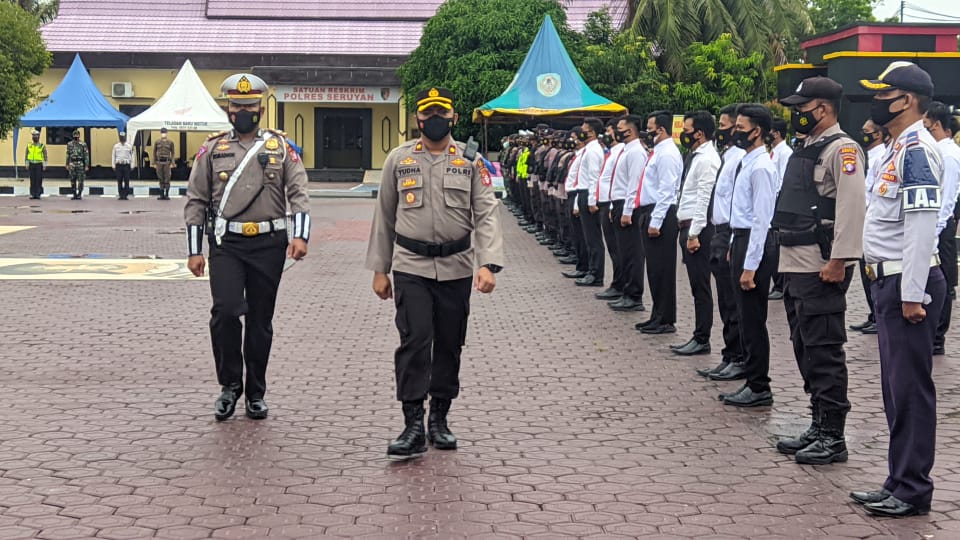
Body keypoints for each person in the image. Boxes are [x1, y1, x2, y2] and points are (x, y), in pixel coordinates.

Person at [365, 87, 504, 461]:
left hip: (457, 267)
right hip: (411, 265)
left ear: (453, 118)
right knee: (415, 340)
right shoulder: (399, 160)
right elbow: (385, 217)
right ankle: (412, 423)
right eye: (427, 115)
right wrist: (380, 270)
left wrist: (487, 264)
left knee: (449, 343)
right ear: (418, 120)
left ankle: (439, 418)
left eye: (441, 113)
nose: (434, 120)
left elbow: (486, 213)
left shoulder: (471, 162)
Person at [183, 73, 310, 422]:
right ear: (228, 108)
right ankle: (229, 386)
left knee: (259, 320)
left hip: (269, 244)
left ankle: (255, 391)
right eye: (236, 105)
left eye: (249, 106)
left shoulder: (281, 148)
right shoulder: (212, 149)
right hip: (227, 243)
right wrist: (195, 250)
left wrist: (301, 236)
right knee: (224, 312)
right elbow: (196, 199)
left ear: (261, 108)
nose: (243, 111)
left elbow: (299, 194)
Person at [850, 61, 945, 518]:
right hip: (887, 279)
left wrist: (912, 293)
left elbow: (922, 225)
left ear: (906, 100)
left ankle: (911, 489)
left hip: (909, 282)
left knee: (909, 391)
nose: (877, 100)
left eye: (884, 93)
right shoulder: (894, 148)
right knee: (896, 390)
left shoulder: (917, 150)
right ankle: (898, 479)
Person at [774, 76, 866, 464]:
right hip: (795, 261)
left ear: (823, 108)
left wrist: (839, 260)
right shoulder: (807, 146)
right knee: (804, 346)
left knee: (824, 349)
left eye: (802, 108)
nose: (797, 115)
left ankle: (833, 434)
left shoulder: (843, 150)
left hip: (820, 264)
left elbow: (851, 207)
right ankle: (817, 422)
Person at [720, 104, 778, 407]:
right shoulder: (747, 161)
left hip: (755, 243)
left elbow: (761, 219)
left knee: (753, 318)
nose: (734, 132)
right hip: (741, 239)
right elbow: (739, 213)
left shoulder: (762, 167)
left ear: (757, 131)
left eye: (741, 128)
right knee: (743, 316)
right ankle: (752, 379)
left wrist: (750, 266)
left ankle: (759, 385)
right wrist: (733, 243)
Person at [698, 104, 747, 379]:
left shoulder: (742, 157)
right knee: (725, 302)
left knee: (733, 301)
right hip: (719, 230)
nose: (723, 130)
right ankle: (730, 354)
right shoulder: (728, 156)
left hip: (730, 231)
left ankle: (739, 357)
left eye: (729, 125)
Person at [629, 111, 683, 334]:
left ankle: (665, 319)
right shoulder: (657, 151)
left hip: (660, 213)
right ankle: (657, 314)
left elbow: (667, 190)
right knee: (654, 269)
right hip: (650, 211)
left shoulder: (668, 153)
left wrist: (656, 221)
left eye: (650, 128)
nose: (647, 132)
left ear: (661, 129)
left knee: (662, 269)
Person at [673, 111, 721, 355]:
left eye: (687, 130)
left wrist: (694, 234)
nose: (684, 134)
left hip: (698, 229)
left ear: (699, 133)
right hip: (688, 226)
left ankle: (702, 337)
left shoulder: (707, 159)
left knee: (701, 287)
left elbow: (704, 198)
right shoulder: (695, 155)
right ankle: (699, 335)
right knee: (696, 286)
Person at [924, 102, 960, 355]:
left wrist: (934, 230)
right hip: (936, 224)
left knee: (943, 282)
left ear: (936, 124)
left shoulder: (947, 154)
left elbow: (946, 198)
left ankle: (937, 337)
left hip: (940, 226)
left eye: (926, 125)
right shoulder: (939, 150)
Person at [850, 119, 889, 335]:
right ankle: (873, 314)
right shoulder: (868, 157)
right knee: (865, 271)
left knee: (871, 271)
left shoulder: (880, 158)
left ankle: (878, 315)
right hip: (864, 220)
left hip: (872, 220)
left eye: (867, 132)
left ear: (879, 134)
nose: (862, 135)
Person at [609, 115, 650, 312]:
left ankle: (634, 295)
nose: (616, 131)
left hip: (629, 206)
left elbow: (634, 184)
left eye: (620, 128)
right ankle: (626, 291)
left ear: (630, 130)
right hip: (619, 204)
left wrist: (627, 211)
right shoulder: (626, 151)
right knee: (624, 252)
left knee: (632, 253)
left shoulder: (636, 152)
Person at [595, 118, 627, 301]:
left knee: (618, 249)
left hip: (613, 203)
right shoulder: (612, 153)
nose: (606, 136)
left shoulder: (620, 152)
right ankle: (617, 283)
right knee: (614, 249)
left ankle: (620, 285)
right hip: (608, 203)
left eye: (609, 132)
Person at [574, 118, 607, 287]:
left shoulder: (594, 150)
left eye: (584, 128)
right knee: (588, 237)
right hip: (583, 192)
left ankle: (596, 274)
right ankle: (591, 271)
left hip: (589, 193)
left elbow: (595, 177)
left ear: (592, 132)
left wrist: (592, 200)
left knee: (593, 238)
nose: (581, 131)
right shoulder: (588, 149)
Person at [767, 117, 793, 300]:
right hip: (770, 201)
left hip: (777, 202)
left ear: (775, 133)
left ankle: (780, 284)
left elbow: (783, 180)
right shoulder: (773, 152)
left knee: (776, 245)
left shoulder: (785, 152)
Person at [66, 129, 89, 200]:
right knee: (72, 180)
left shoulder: (83, 144)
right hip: (72, 163)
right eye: (75, 136)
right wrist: (67, 164)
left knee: (80, 180)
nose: (76, 137)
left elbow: (86, 155)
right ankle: (74, 194)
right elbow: (68, 154)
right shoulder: (69, 144)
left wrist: (86, 165)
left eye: (77, 136)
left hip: (80, 163)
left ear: (79, 136)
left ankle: (79, 194)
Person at [25, 129, 47, 200]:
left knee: (38, 179)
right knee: (32, 179)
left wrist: (44, 165)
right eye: (34, 136)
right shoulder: (29, 145)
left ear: (39, 137)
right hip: (31, 164)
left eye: (36, 136)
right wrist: (26, 164)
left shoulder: (42, 146)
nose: (35, 137)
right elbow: (26, 155)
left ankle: (38, 194)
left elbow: (45, 156)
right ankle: (32, 194)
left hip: (39, 164)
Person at [154, 127, 176, 200]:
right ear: (161, 133)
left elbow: (172, 153)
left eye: (165, 132)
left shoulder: (170, 142)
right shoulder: (157, 142)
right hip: (159, 162)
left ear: (167, 133)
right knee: (160, 178)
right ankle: (161, 194)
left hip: (167, 162)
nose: (163, 134)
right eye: (162, 132)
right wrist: (154, 162)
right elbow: (154, 152)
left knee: (167, 178)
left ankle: (167, 194)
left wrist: (172, 163)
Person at [112, 131, 134, 200]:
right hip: (119, 165)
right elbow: (113, 156)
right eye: (121, 137)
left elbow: (132, 156)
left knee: (126, 180)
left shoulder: (129, 146)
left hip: (126, 165)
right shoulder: (116, 146)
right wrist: (113, 165)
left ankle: (126, 194)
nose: (122, 138)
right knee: (119, 180)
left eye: (123, 137)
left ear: (125, 137)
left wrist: (132, 165)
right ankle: (121, 194)